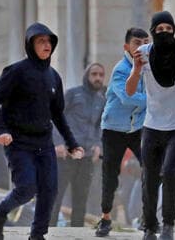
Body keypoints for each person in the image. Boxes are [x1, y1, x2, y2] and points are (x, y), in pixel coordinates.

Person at [0, 22, 84, 240]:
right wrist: (0, 129)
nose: (46, 44)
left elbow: (58, 114)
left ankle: (37, 235)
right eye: (41, 41)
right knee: (26, 188)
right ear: (30, 45)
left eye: (49, 41)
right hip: (18, 141)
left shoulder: (54, 77)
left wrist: (71, 143)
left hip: (44, 142)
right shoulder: (16, 71)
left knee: (49, 190)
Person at [126, 10, 175, 240]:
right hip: (153, 125)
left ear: (174, 31)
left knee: (171, 171)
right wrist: (137, 68)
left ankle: (169, 225)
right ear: (153, 32)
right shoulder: (143, 53)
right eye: (159, 30)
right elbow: (130, 90)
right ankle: (150, 226)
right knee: (150, 176)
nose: (164, 33)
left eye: (168, 29)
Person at [95, 27, 149, 237]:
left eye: (146, 41)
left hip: (138, 127)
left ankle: (148, 216)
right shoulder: (121, 69)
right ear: (127, 47)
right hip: (114, 129)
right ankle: (106, 217)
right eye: (137, 42)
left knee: (152, 169)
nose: (142, 46)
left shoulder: (150, 67)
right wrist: (153, 101)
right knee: (110, 175)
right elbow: (128, 98)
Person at [50, 62, 106, 227]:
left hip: (86, 156)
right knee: (56, 196)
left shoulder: (101, 100)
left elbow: (99, 126)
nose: (97, 78)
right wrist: (58, 143)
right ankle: (46, 232)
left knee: (81, 198)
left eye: (101, 75)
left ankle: (76, 233)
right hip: (66, 155)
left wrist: (98, 145)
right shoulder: (73, 94)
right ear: (86, 76)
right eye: (94, 74)